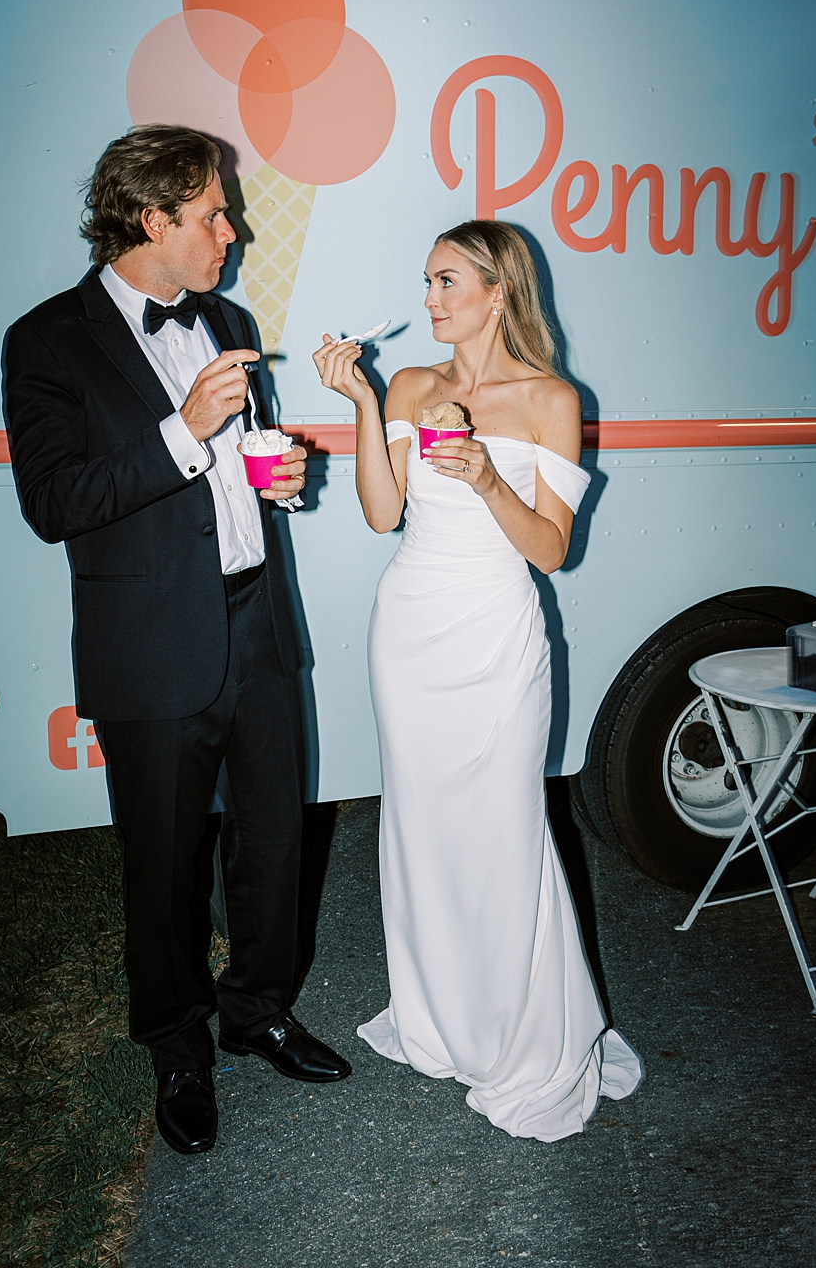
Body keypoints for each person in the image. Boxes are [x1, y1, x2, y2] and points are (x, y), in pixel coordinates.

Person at [3, 124, 350, 1157]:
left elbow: (232, 467)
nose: (231, 231)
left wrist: (272, 475)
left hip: (258, 626)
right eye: (211, 213)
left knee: (275, 841)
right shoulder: (47, 340)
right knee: (161, 864)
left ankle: (259, 1009)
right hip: (150, 645)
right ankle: (178, 1048)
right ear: (153, 219)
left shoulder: (228, 315)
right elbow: (54, 500)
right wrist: (181, 431)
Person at [312, 219, 640, 1141]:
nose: (430, 300)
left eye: (447, 282)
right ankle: (444, 1017)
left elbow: (551, 550)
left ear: (500, 292)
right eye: (426, 283)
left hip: (497, 634)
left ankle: (526, 1034)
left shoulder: (551, 398)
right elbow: (383, 515)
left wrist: (490, 477)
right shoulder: (412, 385)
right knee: (421, 830)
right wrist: (366, 407)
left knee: (504, 827)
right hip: (409, 631)